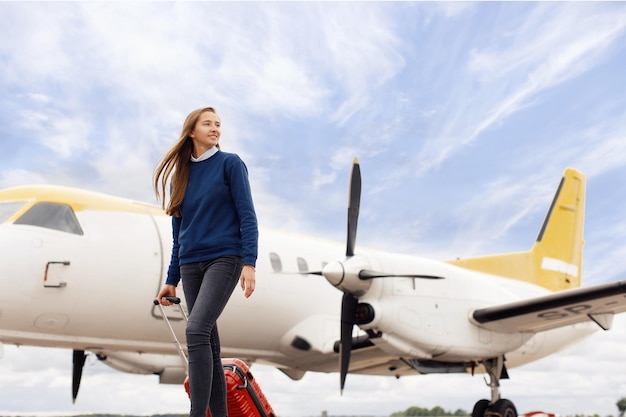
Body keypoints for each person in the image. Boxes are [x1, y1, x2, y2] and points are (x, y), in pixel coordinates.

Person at [154, 106, 258, 417]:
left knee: (196, 329)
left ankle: (197, 414)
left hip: (225, 257)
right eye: (208, 124)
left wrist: (249, 263)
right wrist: (172, 280)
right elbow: (178, 235)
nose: (215, 129)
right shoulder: (180, 178)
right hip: (191, 264)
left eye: (218, 124)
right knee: (209, 343)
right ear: (191, 132)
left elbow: (247, 217)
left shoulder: (231, 164)